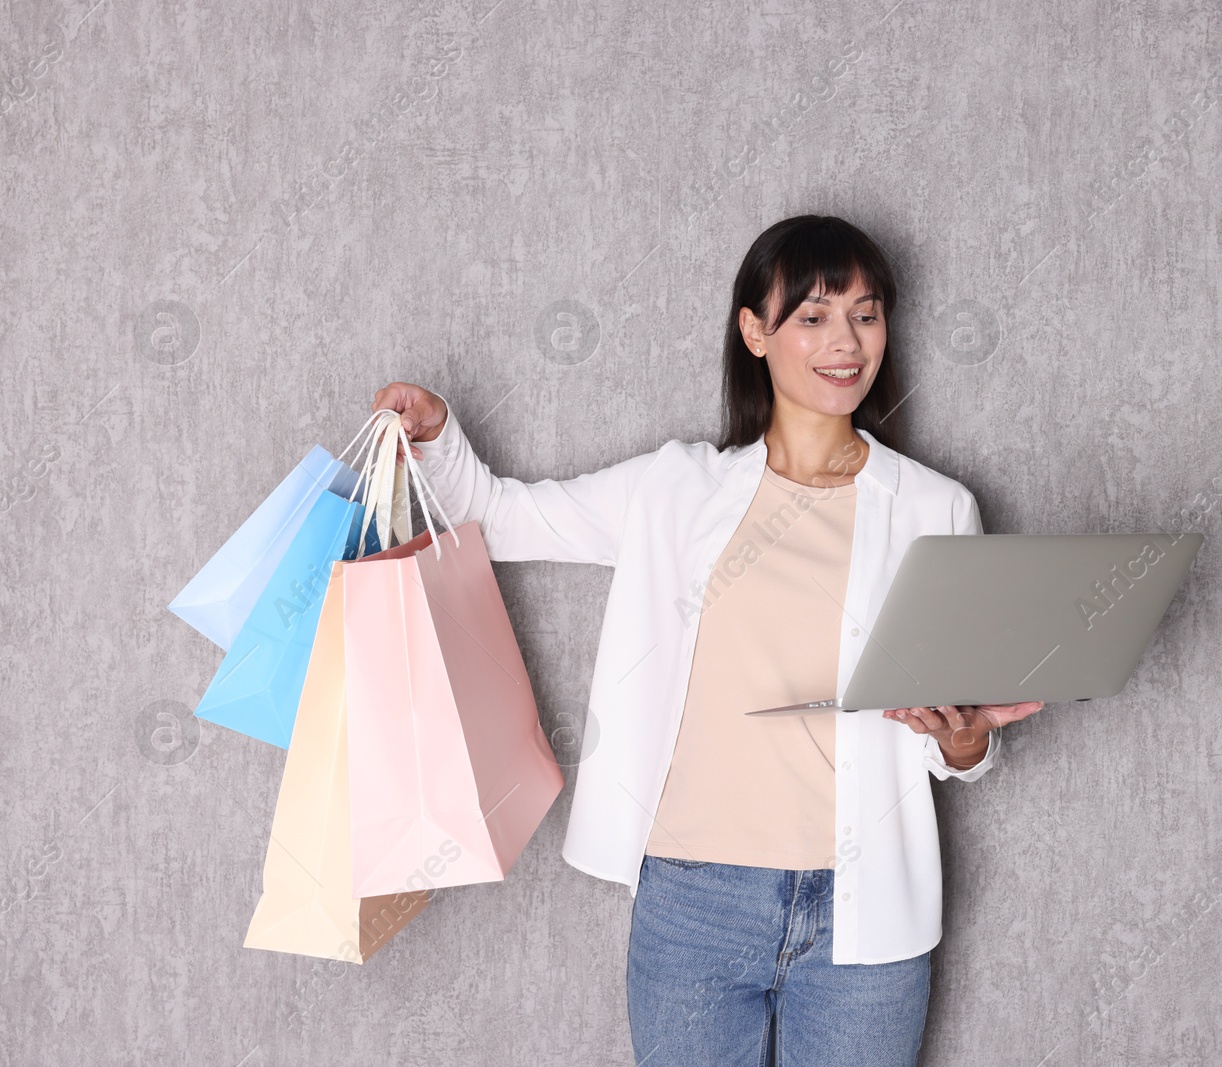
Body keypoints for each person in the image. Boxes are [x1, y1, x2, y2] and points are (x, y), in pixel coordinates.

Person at [372, 214, 1043, 1066]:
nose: (846, 342)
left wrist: (967, 740)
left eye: (866, 315)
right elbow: (502, 515)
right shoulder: (675, 489)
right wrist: (435, 436)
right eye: (813, 315)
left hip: (867, 912)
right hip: (695, 901)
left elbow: (956, 741)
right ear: (755, 330)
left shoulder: (936, 508)